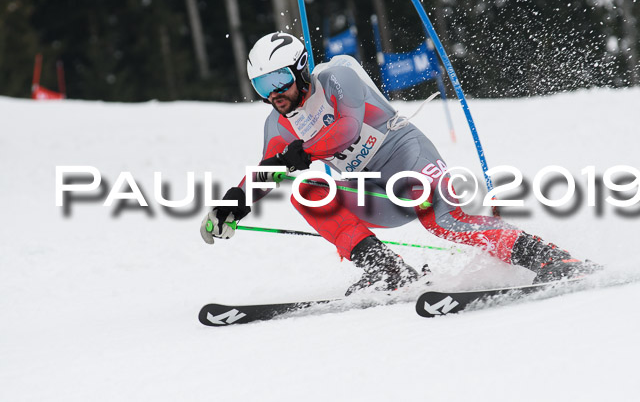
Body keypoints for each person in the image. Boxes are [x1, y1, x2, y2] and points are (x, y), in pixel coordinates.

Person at [200, 32, 600, 295]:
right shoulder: (277, 123)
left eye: (278, 81)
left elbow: (346, 127)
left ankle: (548, 257)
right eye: (261, 87)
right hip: (372, 189)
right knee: (308, 195)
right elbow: (267, 169)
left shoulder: (338, 79)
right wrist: (233, 202)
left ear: (301, 69)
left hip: (407, 156)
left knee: (443, 220)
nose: (273, 95)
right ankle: (387, 271)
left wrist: (302, 153)